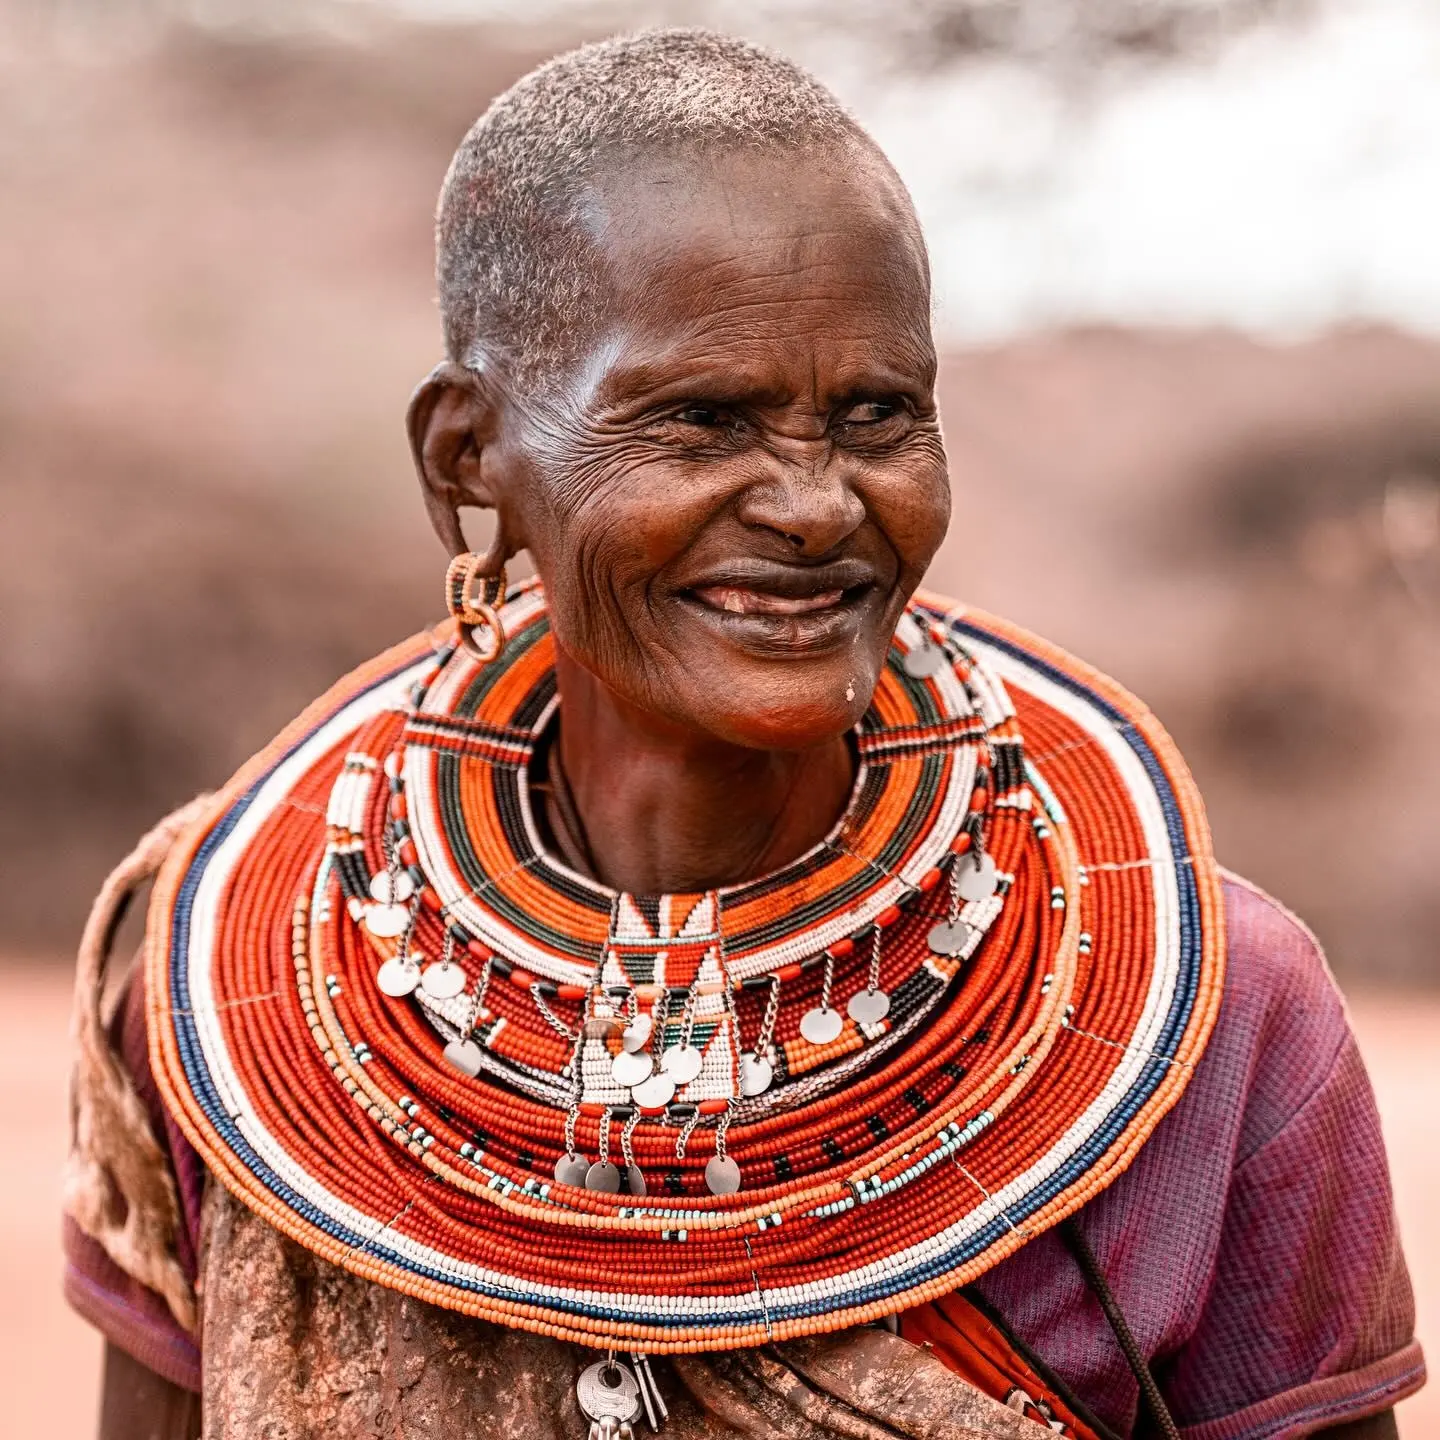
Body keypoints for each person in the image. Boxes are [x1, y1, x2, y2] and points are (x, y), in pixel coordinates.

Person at [64, 30, 1422, 1440]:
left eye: (877, 415)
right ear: (467, 457)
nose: (817, 505)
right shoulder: (226, 989)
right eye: (703, 421)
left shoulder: (1207, 1020)